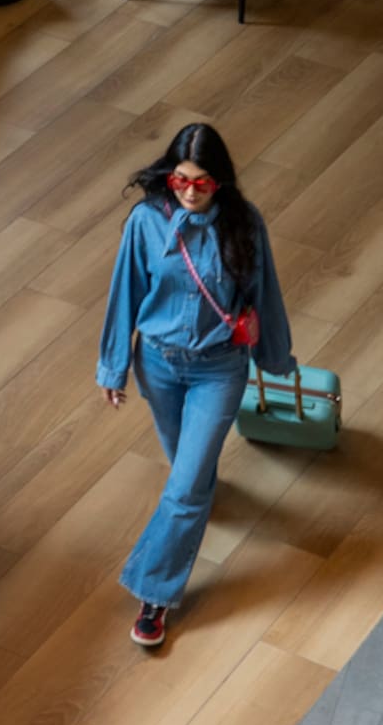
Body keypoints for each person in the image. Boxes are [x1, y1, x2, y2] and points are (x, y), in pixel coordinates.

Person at [96, 122, 297, 648]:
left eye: (201, 182)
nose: (188, 191)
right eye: (179, 180)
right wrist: (113, 367)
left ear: (221, 183)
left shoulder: (245, 225)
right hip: (158, 365)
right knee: (187, 467)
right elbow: (125, 293)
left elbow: (264, 292)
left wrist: (276, 358)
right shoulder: (144, 223)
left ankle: (154, 594)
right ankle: (200, 488)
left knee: (184, 490)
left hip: (219, 368)